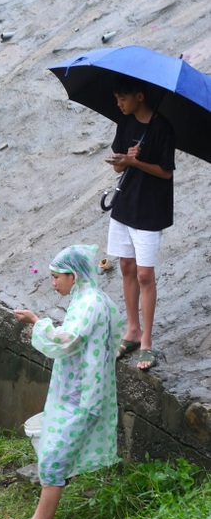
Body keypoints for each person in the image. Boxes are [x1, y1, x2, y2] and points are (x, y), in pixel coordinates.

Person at [6, 245, 122, 519]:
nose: (54, 283)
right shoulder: (86, 299)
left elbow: (67, 340)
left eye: (57, 277)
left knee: (55, 459)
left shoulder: (89, 304)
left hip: (84, 396)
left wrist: (37, 322)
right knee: (51, 455)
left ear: (73, 275)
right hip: (76, 392)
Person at [106, 76, 175, 371]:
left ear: (139, 96)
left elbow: (166, 172)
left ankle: (147, 341)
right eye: (117, 99)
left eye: (123, 99)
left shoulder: (162, 128)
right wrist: (123, 160)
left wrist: (135, 163)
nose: (119, 104)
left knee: (145, 274)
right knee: (126, 267)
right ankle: (132, 330)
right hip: (125, 205)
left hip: (149, 209)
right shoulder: (126, 123)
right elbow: (118, 164)